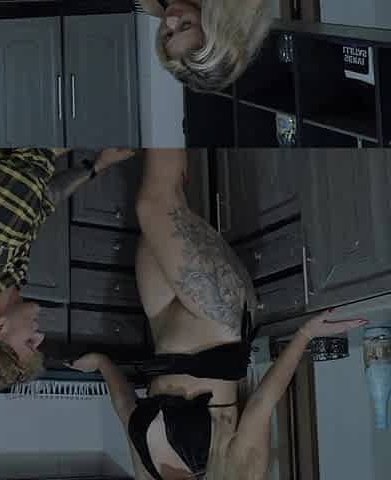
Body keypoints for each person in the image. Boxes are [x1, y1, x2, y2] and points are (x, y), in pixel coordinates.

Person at [68, 150, 368, 480]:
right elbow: (262, 403)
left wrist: (101, 363)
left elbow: (127, 409)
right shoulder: (236, 475)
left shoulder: (148, 477)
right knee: (154, 204)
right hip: (217, 322)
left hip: (161, 318)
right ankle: (167, 120)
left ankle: (174, 141)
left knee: (164, 205)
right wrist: (305, 335)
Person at [0, 148, 136, 391]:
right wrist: (96, 166)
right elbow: (42, 202)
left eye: (29, 343)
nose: (40, 336)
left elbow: (41, 148)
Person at [138, 0, 272, 92]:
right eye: (186, 25)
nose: (170, 21)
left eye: (168, 34)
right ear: (213, 23)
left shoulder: (151, 5)